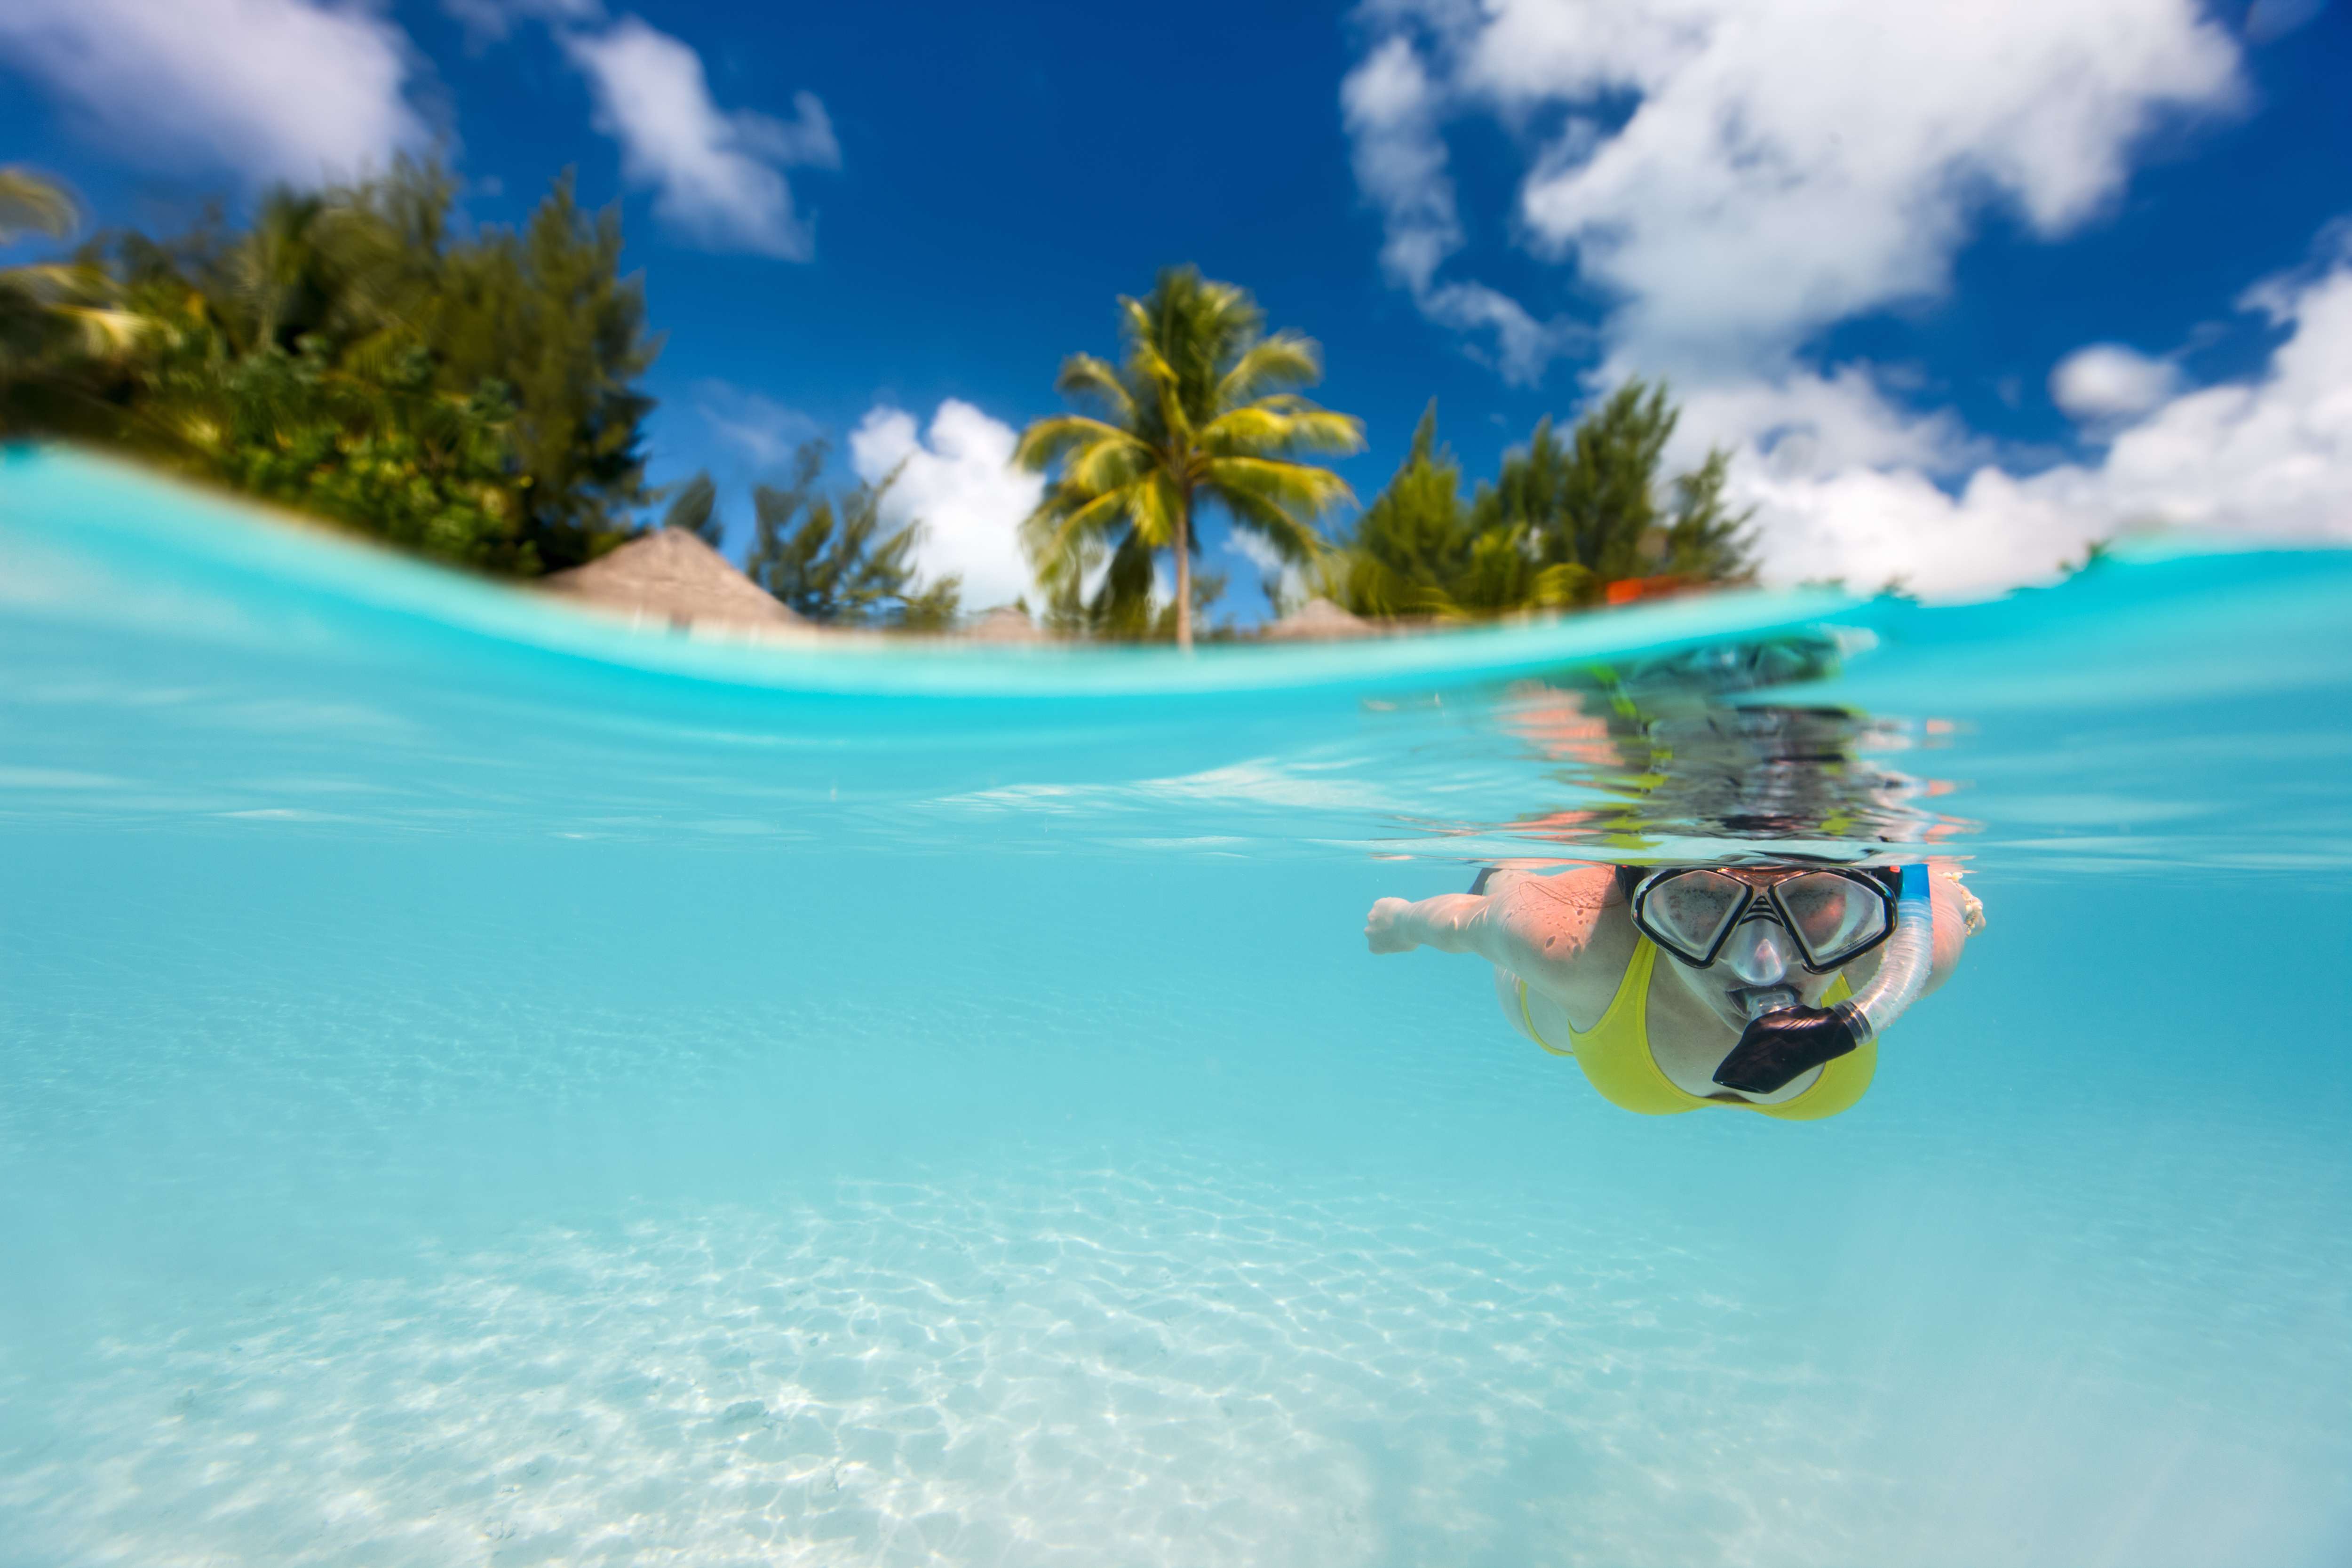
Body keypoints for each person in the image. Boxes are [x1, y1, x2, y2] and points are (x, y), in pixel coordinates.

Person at [1365, 859, 1983, 1119]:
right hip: (1609, 1021)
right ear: (1641, 909)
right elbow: (1464, 924)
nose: (1763, 963)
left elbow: (1933, 890)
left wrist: (1950, 891)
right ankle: (1507, 870)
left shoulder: (1908, 950)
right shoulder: (1572, 946)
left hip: (1632, 1046)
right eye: (1698, 901)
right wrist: (1402, 921)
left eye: (1817, 898)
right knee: (1513, 910)